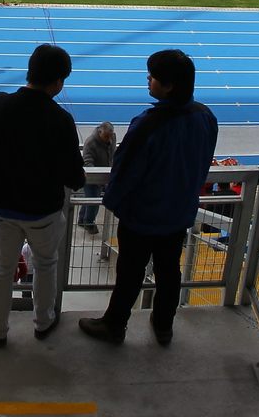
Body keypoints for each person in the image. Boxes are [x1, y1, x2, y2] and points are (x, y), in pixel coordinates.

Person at [79, 49, 218, 347]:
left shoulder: (149, 123)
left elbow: (126, 170)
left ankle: (115, 326)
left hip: (142, 217)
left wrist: (113, 203)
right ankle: (164, 325)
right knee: (170, 271)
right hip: (178, 214)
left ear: (168, 85)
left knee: (129, 273)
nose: (148, 80)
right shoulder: (205, 117)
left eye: (153, 77)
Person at [0, 44, 84, 346]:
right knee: (46, 265)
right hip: (43, 211)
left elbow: (1, 111)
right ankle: (43, 322)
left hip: (3, 206)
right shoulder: (61, 120)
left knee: (2, 269)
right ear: (58, 82)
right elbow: (75, 178)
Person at [77, 122, 116, 234]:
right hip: (91, 176)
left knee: (89, 198)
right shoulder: (90, 143)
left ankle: (81, 219)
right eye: (106, 137)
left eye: (110, 136)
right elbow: (88, 162)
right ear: (100, 132)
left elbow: (113, 153)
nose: (109, 139)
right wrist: (98, 177)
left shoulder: (112, 136)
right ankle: (89, 223)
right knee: (93, 201)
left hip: (105, 173)